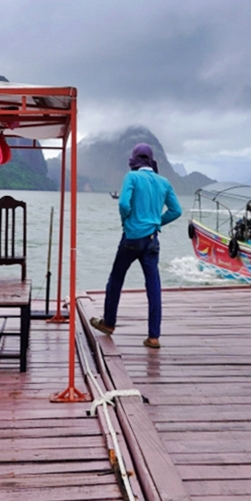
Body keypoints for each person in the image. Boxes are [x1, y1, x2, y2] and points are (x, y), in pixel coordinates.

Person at [89, 143, 182, 348]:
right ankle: (154, 336)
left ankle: (109, 323)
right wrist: (157, 222)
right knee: (153, 286)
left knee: (116, 279)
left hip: (131, 238)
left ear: (134, 160)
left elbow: (123, 204)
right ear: (151, 160)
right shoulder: (163, 182)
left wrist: (127, 221)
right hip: (152, 240)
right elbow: (176, 211)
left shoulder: (132, 177)